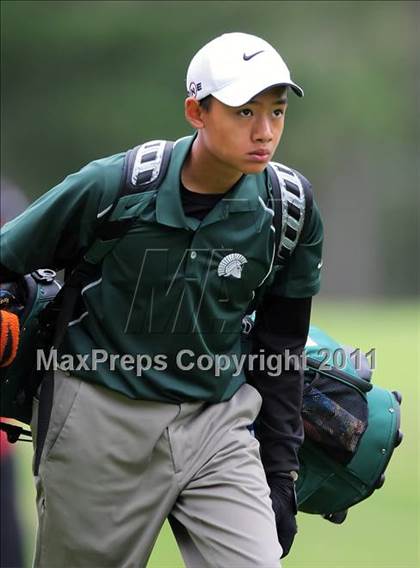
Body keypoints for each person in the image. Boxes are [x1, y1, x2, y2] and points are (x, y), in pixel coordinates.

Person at [0, 32, 323, 567]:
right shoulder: (115, 186)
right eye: (245, 111)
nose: (265, 131)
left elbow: (281, 344)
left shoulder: (289, 207)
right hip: (100, 418)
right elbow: (8, 255)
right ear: (196, 111)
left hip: (218, 422)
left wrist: (279, 473)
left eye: (277, 111)